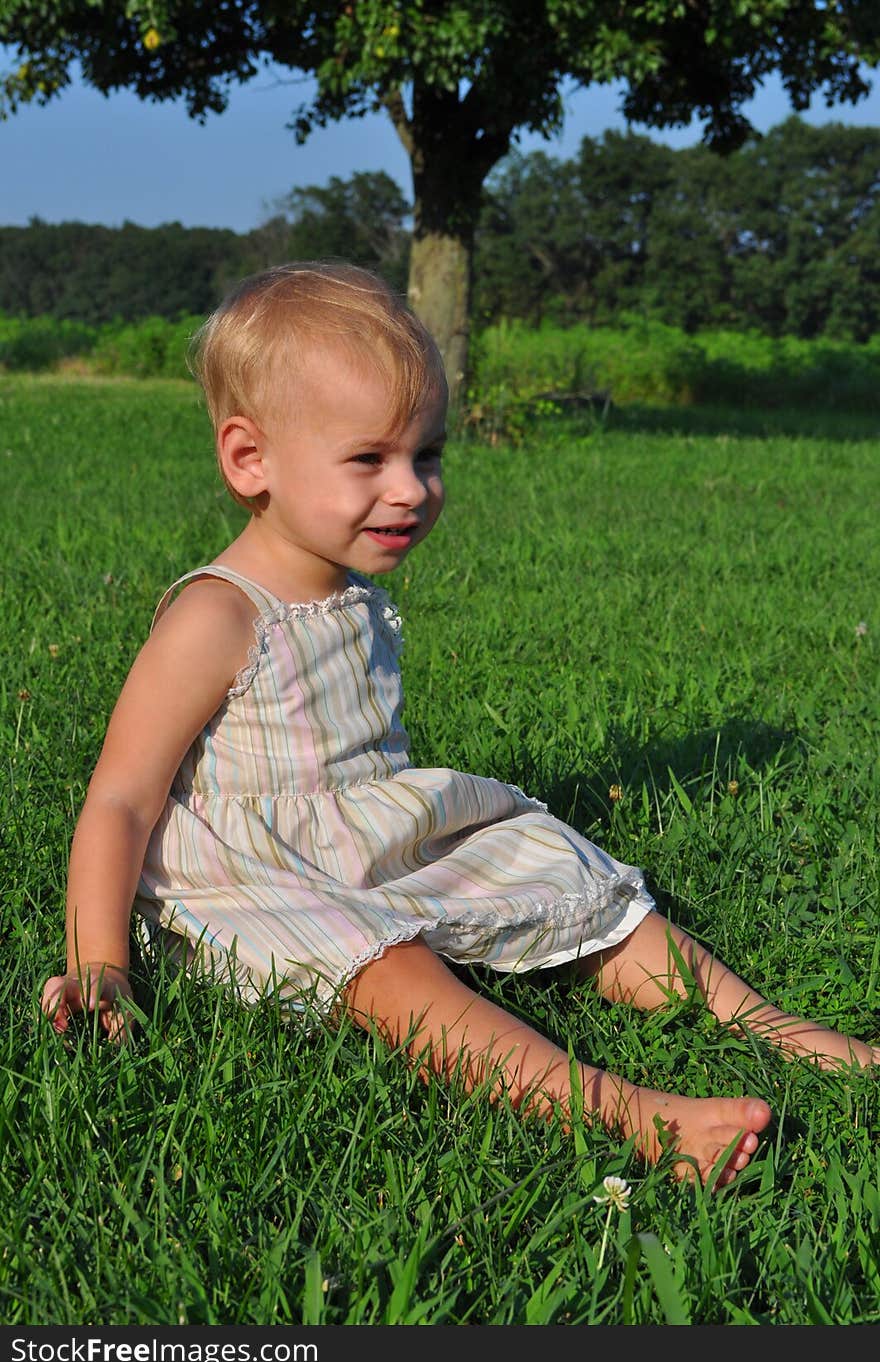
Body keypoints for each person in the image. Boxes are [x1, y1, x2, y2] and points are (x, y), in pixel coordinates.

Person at [41, 262, 878, 1189]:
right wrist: (99, 961)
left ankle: (766, 1022)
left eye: (426, 455)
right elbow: (121, 796)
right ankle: (628, 1111)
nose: (410, 490)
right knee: (388, 968)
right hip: (253, 873)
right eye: (369, 459)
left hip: (366, 831)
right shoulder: (218, 614)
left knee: (559, 861)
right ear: (250, 460)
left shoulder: (347, 588)